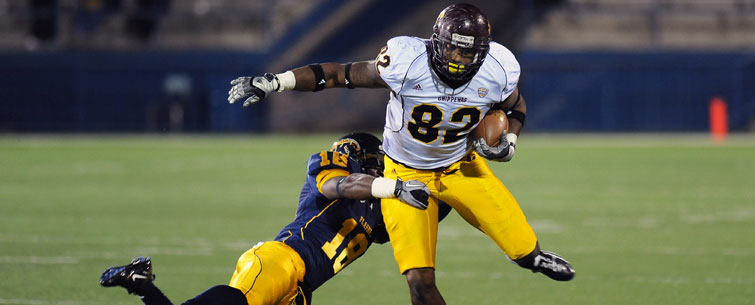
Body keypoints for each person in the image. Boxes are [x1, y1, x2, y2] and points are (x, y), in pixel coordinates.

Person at [227, 3, 575, 305]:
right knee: (419, 283)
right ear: (436, 43)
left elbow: (515, 107)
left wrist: (509, 143)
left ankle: (531, 257)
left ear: (483, 53)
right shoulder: (406, 61)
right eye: (454, 50)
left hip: (462, 167)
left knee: (523, 246)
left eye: (468, 53)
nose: (459, 60)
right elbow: (337, 75)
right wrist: (277, 82)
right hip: (404, 173)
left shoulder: (498, 69)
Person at [100, 133, 448, 305]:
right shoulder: (335, 170)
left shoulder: (377, 208)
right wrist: (393, 185)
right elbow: (336, 186)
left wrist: (455, 167)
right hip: (280, 261)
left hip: (300, 288)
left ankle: (140, 283)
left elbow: (427, 207)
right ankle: (142, 284)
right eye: (379, 163)